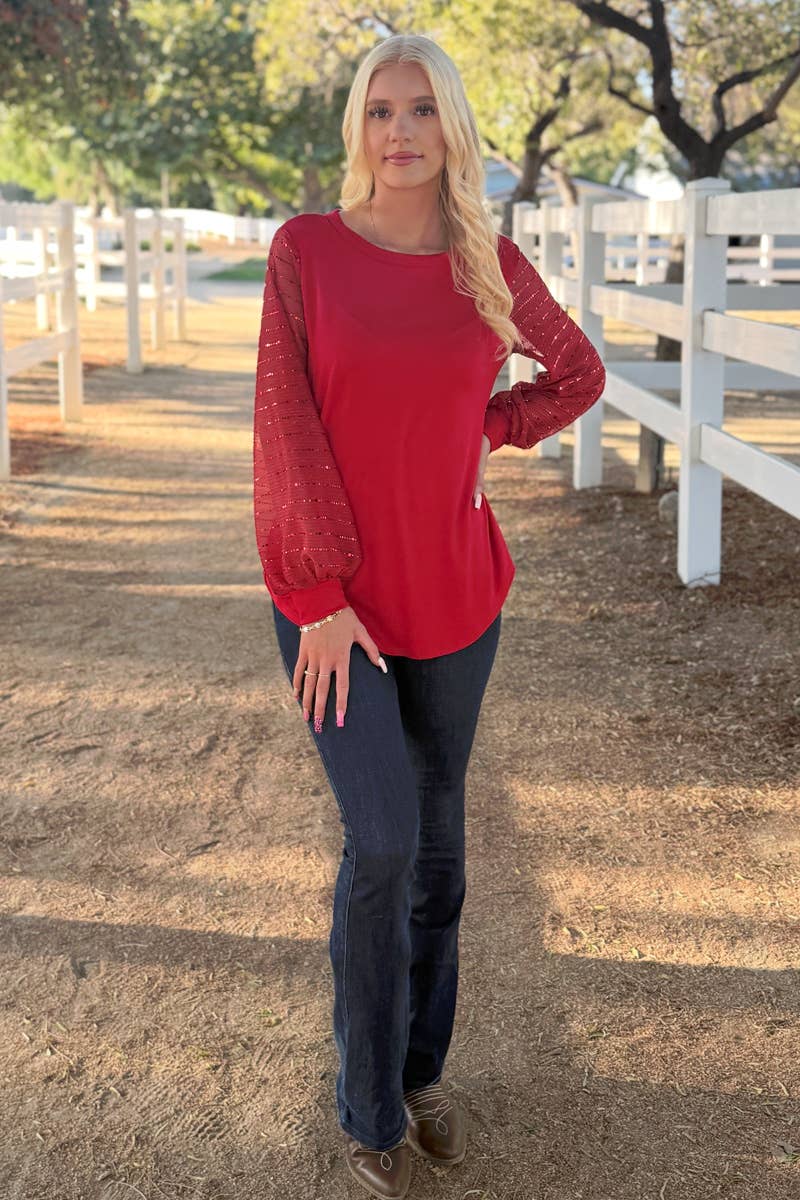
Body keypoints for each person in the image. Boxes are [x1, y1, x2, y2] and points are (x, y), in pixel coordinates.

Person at [252, 32, 606, 1200]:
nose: (397, 132)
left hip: (458, 598)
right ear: (356, 127)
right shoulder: (306, 252)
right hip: (335, 612)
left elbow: (573, 375)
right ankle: (365, 1107)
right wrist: (312, 598)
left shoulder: (485, 263)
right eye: (377, 110)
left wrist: (485, 432)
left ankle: (417, 1074)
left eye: (419, 111)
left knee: (440, 854)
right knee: (384, 843)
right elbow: (283, 430)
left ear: (451, 126)